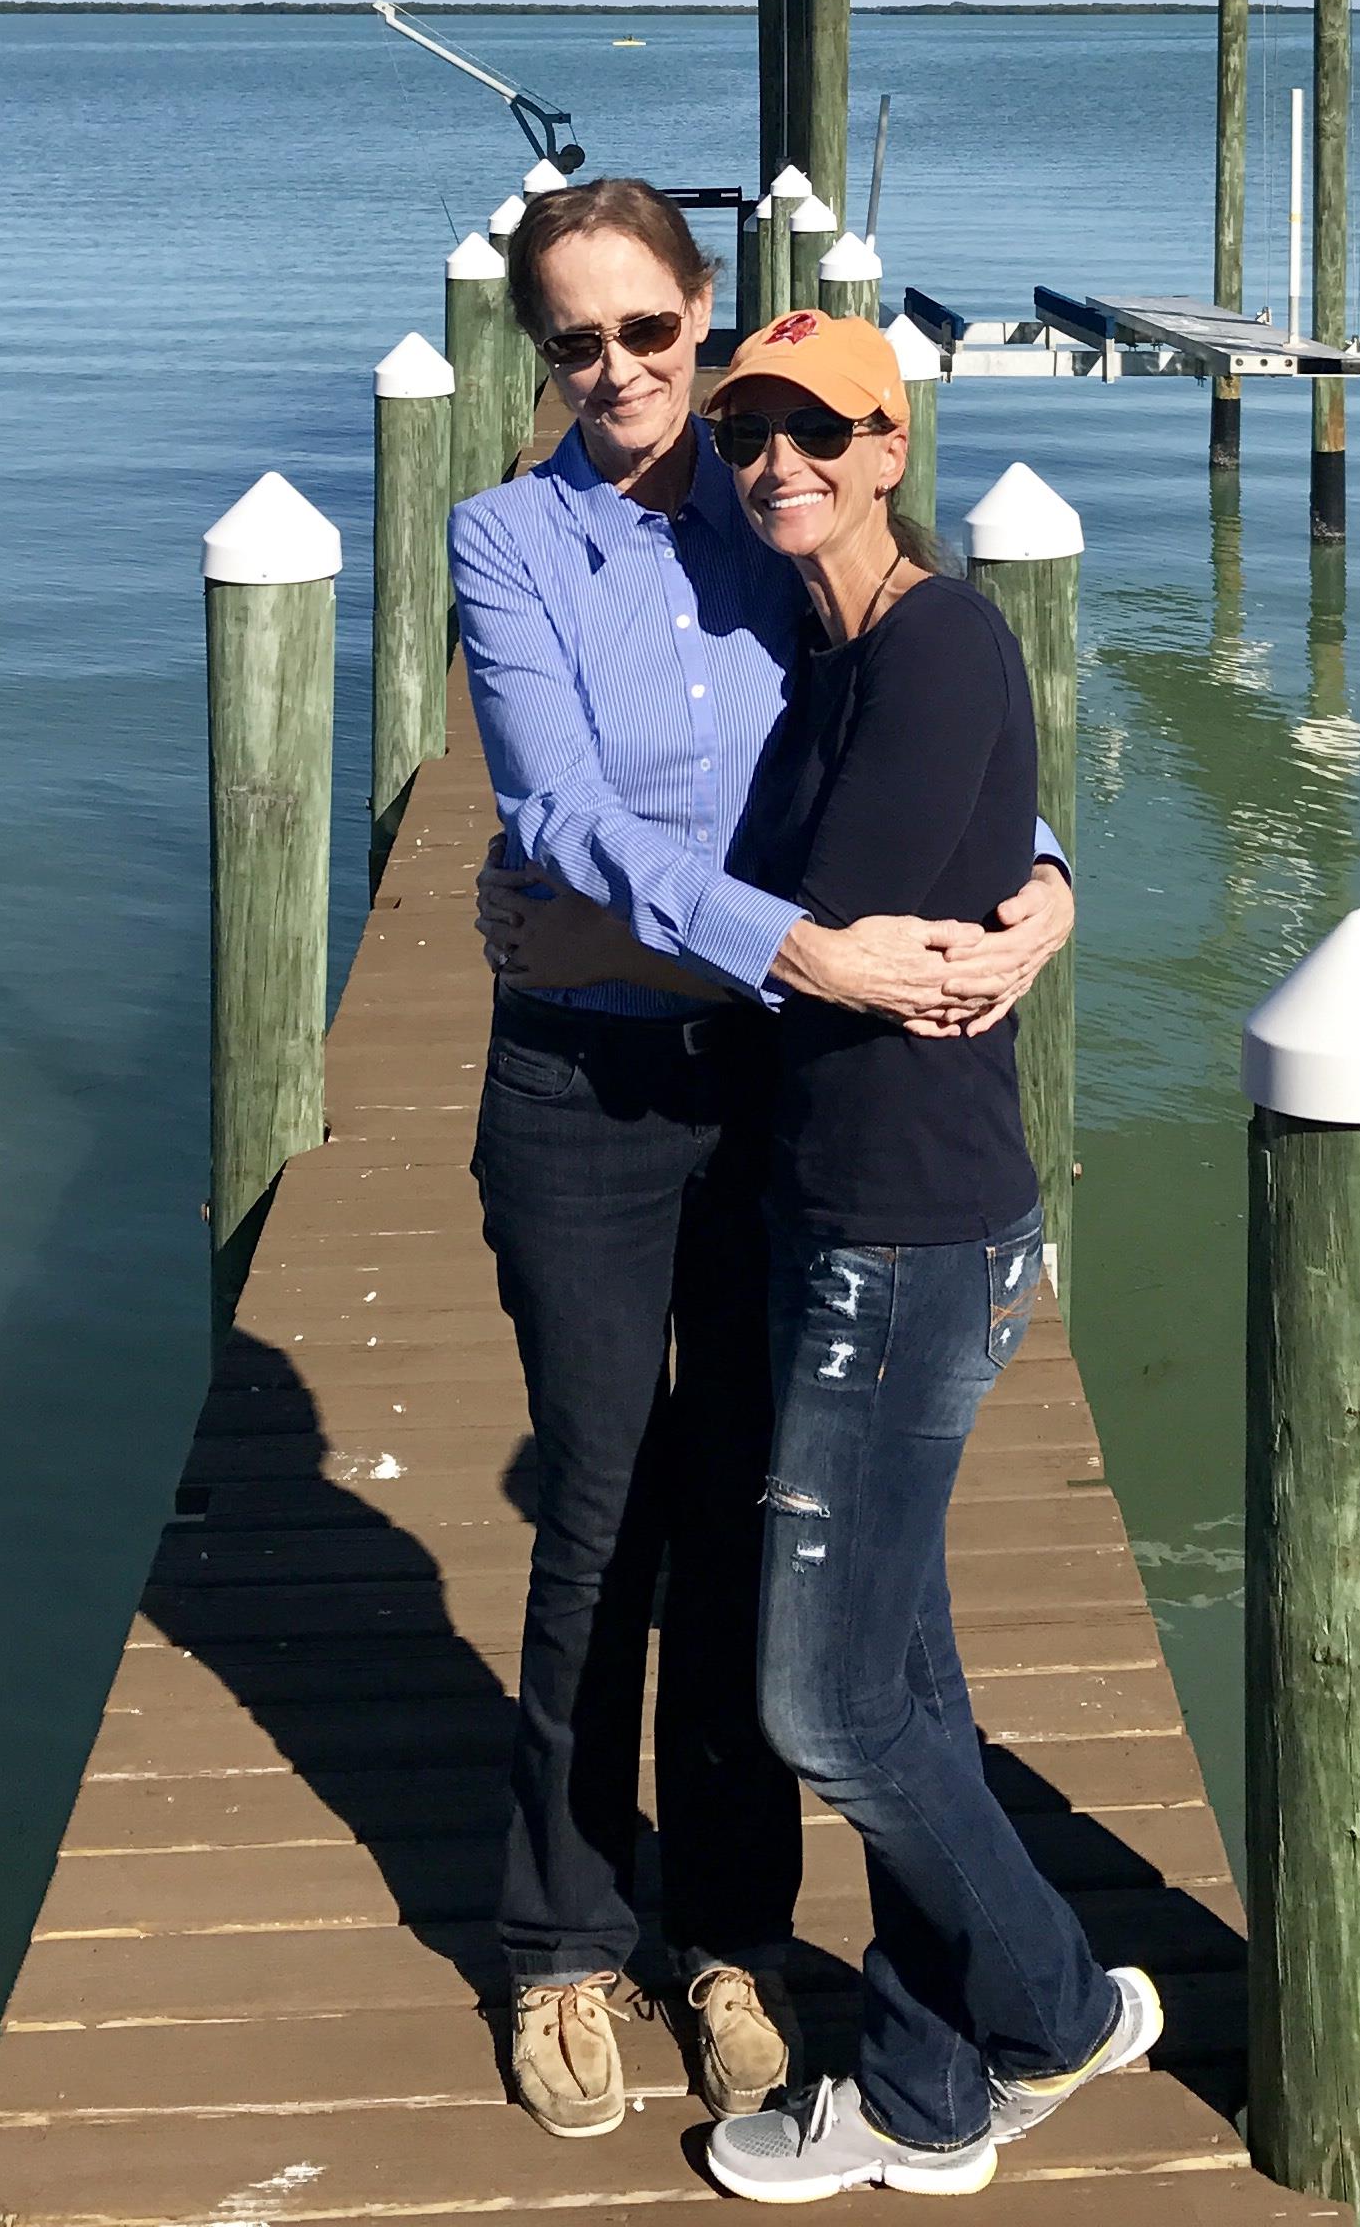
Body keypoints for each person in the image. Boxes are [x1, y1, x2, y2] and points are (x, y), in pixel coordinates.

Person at [447, 179, 1075, 2146]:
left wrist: (1051, 888)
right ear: (536, 352)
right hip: (591, 1087)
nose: (622, 373)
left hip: (782, 1096)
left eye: (653, 334)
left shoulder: (784, 510)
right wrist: (779, 940)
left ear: (708, 319)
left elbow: (941, 735)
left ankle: (722, 1929)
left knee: (747, 1502)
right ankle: (560, 1939)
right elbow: (553, 813)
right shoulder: (507, 543)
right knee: (602, 1511)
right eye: (579, 342)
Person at [685, 305, 1163, 2204]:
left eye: (823, 428)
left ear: (897, 448)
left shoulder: (940, 640)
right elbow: (853, 917)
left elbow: (843, 908)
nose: (782, 460)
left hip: (912, 1236)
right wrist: (1027, 887)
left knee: (823, 1704)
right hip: (841, 1212)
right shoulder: (833, 649)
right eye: (752, 437)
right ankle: (922, 2083)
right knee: (902, 1676)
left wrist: (709, 920)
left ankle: (1050, 2009)